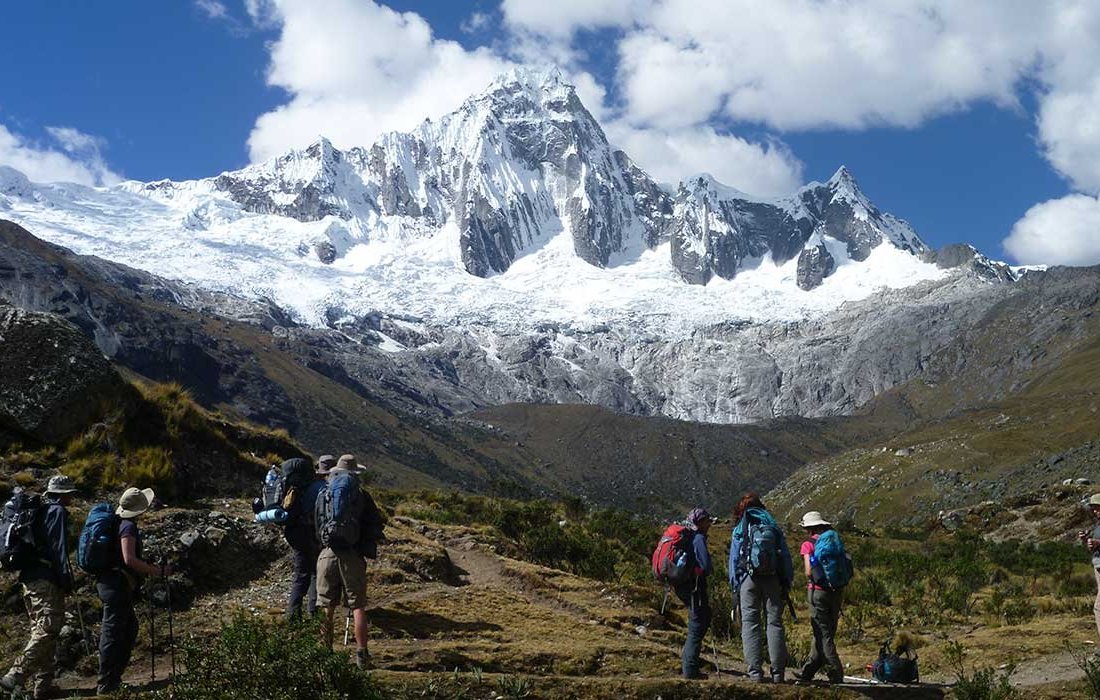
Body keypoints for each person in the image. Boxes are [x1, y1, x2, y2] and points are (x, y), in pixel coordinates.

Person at [0, 476, 79, 699]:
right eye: (70, 494)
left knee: (42, 629)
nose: (72, 497)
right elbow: (59, 548)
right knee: (49, 627)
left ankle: (42, 686)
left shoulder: (40, 511)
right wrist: (66, 579)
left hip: (29, 578)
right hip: (45, 578)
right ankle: (15, 675)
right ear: (62, 494)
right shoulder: (57, 512)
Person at [96, 487, 172, 695]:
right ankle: (107, 683)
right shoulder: (128, 526)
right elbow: (129, 559)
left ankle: (112, 679)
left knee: (126, 629)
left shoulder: (119, 523)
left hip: (110, 583)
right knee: (114, 632)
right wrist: (156, 571)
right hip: (116, 586)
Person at [316, 455, 384, 668]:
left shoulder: (324, 494)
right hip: (352, 556)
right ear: (355, 474)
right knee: (357, 607)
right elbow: (375, 523)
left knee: (326, 606)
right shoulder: (361, 496)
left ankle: (324, 652)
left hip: (327, 553)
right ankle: (362, 655)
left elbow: (317, 522)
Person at [729, 492, 793, 683]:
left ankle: (755, 672)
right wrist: (786, 581)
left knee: (750, 623)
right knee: (774, 623)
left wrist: (735, 585)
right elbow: (785, 557)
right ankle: (778, 673)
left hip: (747, 580)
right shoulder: (772, 526)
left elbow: (733, 561)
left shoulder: (740, 528)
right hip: (772, 579)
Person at [793, 511, 845, 684]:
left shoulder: (808, 544)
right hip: (836, 591)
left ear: (809, 528)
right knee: (824, 631)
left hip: (818, 592)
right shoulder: (833, 540)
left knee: (823, 634)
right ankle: (808, 672)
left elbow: (809, 571)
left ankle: (836, 674)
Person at [282, 456, 329, 620]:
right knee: (314, 571)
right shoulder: (319, 487)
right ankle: (310, 612)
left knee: (302, 572)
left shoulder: (296, 487)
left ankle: (295, 614)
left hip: (293, 531)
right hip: (309, 533)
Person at [674, 507, 714, 680]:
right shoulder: (698, 538)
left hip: (683, 584)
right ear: (700, 522)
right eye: (707, 521)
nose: (710, 524)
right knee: (698, 623)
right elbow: (706, 565)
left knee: (699, 619)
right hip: (694, 586)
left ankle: (689, 663)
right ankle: (690, 669)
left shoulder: (688, 536)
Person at [1081, 494, 1100, 638]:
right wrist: (1086, 541)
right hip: (1098, 565)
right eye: (1093, 509)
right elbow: (1093, 548)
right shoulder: (1097, 526)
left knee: (1098, 608)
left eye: (1097, 508)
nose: (1095, 512)